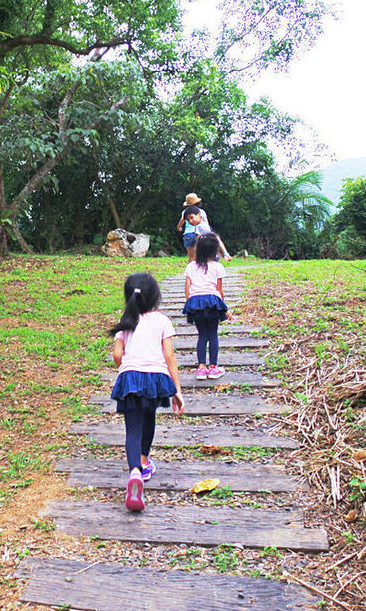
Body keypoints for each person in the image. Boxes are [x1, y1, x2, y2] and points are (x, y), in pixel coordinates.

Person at [109, 272, 185, 512]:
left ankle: (134, 473)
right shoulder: (162, 321)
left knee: (132, 429)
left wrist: (128, 367)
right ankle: (143, 462)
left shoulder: (126, 322)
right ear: (155, 298)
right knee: (149, 418)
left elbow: (117, 356)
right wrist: (177, 390)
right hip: (155, 378)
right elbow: (169, 356)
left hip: (130, 377)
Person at [183, 233, 231, 380]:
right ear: (215, 250)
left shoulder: (191, 266)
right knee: (213, 334)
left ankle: (201, 368)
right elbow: (219, 289)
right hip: (212, 301)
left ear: (198, 249)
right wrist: (226, 309)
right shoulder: (217, 267)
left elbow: (187, 287)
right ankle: (214, 367)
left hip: (196, 302)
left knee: (202, 335)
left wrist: (189, 302)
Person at [176, 193, 230, 262]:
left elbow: (181, 221)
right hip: (199, 234)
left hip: (188, 234)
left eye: (191, 218)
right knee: (199, 255)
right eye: (188, 220)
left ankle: (190, 271)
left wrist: (179, 227)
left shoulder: (185, 212)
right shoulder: (201, 212)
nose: (190, 221)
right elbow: (206, 223)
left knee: (191, 257)